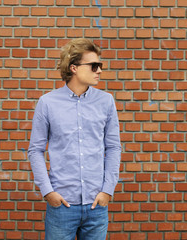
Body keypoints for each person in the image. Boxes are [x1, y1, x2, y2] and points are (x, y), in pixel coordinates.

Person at [28, 38, 121, 240]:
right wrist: (47, 192)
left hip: (96, 204)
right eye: (94, 66)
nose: (99, 71)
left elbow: (113, 147)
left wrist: (107, 190)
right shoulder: (48, 103)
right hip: (62, 205)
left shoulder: (106, 102)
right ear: (74, 68)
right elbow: (35, 150)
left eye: (100, 66)